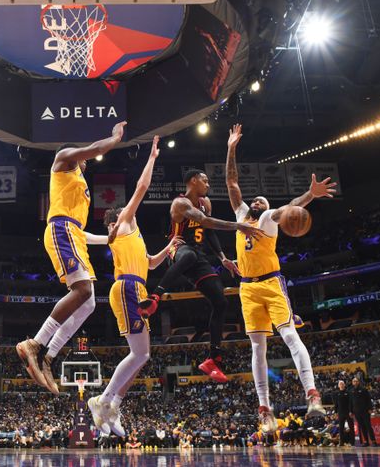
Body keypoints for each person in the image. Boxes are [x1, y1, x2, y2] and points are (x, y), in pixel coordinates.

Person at [224, 124, 334, 431]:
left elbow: (291, 208)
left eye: (263, 201)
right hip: (247, 289)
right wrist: (232, 146)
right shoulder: (240, 216)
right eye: (255, 201)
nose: (258, 202)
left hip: (271, 284)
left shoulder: (268, 220)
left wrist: (309, 196)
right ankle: (265, 410)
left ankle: (312, 395)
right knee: (257, 349)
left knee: (289, 337)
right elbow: (232, 182)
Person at [17, 122, 126, 393]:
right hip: (60, 229)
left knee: (88, 303)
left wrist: (106, 240)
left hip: (73, 233)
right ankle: (35, 344)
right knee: (83, 289)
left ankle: (49, 356)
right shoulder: (63, 159)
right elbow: (92, 149)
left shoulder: (81, 185)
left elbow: (80, 230)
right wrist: (114, 138)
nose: (86, 160)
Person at [85, 136, 182, 437]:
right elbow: (141, 188)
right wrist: (151, 158)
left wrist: (169, 248)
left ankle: (113, 403)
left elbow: (151, 264)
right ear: (117, 220)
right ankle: (103, 399)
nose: (133, 209)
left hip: (136, 287)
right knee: (139, 354)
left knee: (143, 355)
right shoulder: (124, 225)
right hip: (126, 288)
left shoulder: (136, 239)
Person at [138, 167, 264, 383]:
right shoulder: (180, 203)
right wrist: (237, 226)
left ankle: (213, 358)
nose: (208, 184)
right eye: (205, 181)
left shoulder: (206, 203)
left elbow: (209, 232)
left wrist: (223, 258)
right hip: (178, 249)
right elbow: (205, 222)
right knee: (190, 256)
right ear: (193, 181)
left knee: (221, 301)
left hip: (198, 255)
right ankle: (155, 297)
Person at [350, 377, 376, 446]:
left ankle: (373, 441)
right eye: (354, 381)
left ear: (358, 382)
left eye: (356, 381)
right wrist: (351, 411)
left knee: (368, 426)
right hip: (357, 412)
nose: (355, 382)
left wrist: (370, 408)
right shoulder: (351, 391)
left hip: (365, 411)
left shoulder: (364, 389)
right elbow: (351, 402)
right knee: (362, 427)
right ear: (352, 383)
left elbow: (368, 399)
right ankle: (366, 441)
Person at [335, 380, 354, 447]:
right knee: (341, 428)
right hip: (340, 413)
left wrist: (351, 411)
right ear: (338, 386)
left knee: (351, 427)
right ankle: (341, 442)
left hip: (348, 412)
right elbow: (336, 404)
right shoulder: (337, 393)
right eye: (340, 384)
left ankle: (352, 442)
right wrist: (336, 412)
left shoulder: (348, 392)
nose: (341, 385)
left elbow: (350, 402)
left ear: (344, 385)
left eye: (342, 384)